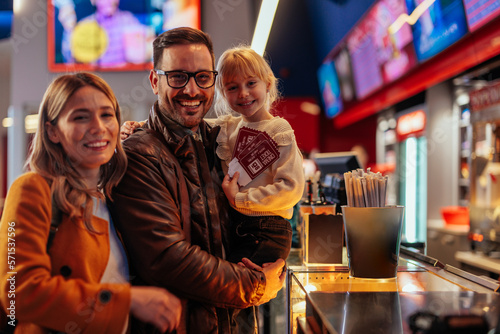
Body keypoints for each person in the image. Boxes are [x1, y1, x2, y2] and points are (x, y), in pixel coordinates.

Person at [110, 27, 286, 334]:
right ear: (155, 81)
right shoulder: (138, 155)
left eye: (203, 77)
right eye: (178, 76)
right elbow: (168, 260)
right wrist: (255, 285)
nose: (192, 90)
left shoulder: (218, 140)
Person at [0, 73, 181, 333]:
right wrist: (127, 300)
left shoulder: (116, 196)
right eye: (80, 117)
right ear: (52, 131)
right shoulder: (32, 189)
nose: (98, 127)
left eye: (106, 115)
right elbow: (17, 295)